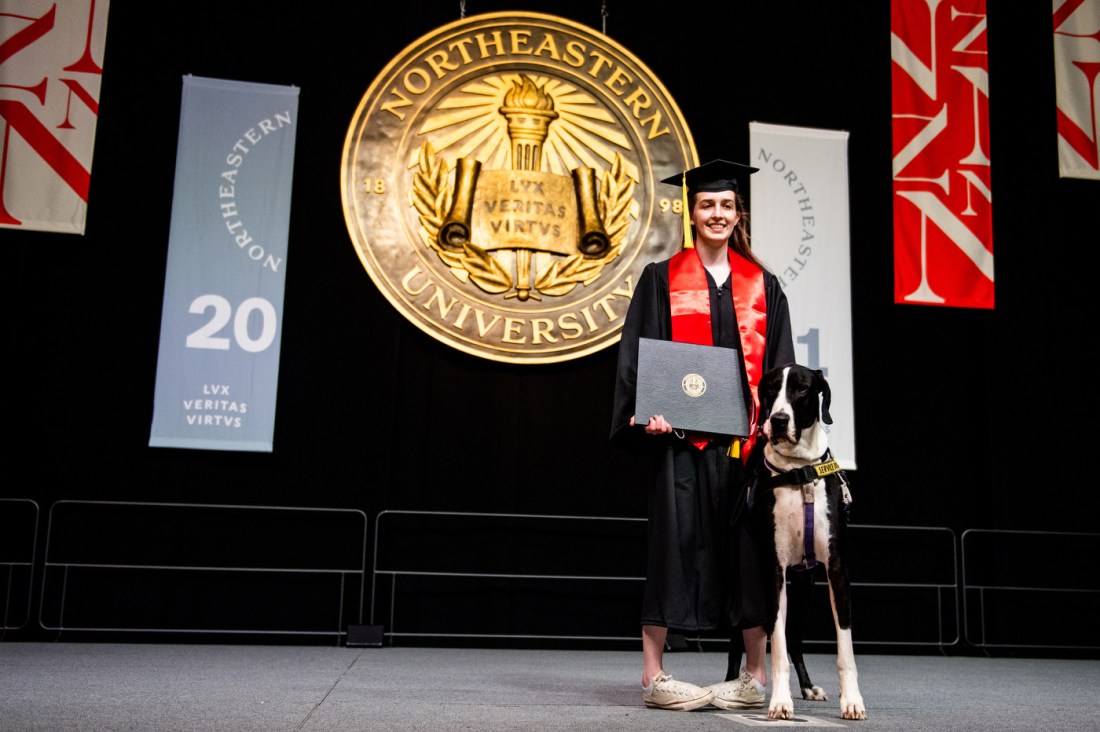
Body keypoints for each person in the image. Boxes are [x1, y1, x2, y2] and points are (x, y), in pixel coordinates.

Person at [610, 159, 796, 711]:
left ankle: (754, 677)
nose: (717, 213)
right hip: (679, 443)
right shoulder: (661, 279)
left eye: (726, 205)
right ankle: (653, 676)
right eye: (706, 205)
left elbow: (779, 364)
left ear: (739, 213)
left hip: (741, 445)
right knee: (670, 546)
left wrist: (772, 420)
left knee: (748, 555)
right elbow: (636, 358)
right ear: (691, 212)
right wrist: (647, 412)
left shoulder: (765, 285)